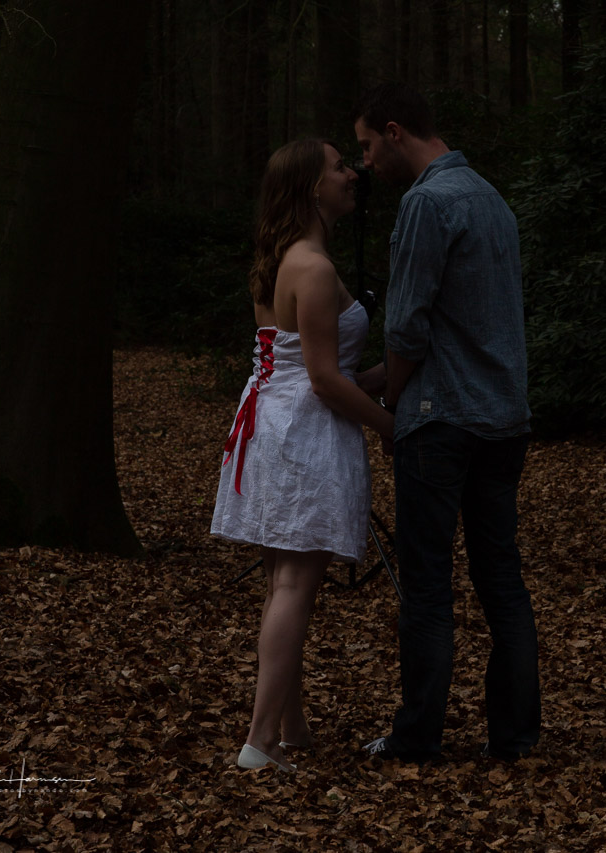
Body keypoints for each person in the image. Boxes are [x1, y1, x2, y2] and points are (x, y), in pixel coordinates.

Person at [349, 83, 541, 764]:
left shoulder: (426, 203)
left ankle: (417, 737)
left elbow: (408, 327)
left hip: (441, 422)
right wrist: (368, 381)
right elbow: (461, 327)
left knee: (428, 583)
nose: (364, 162)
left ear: (394, 131)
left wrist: (390, 400)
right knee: (501, 578)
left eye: (366, 146)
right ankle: (514, 737)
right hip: (503, 420)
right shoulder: (492, 199)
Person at [210, 137, 393, 773]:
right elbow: (322, 380)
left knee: (280, 581)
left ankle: (290, 726)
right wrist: (391, 426)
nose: (352, 174)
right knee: (293, 583)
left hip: (274, 423)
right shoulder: (312, 267)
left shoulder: (282, 259)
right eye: (339, 167)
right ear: (312, 188)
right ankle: (260, 742)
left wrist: (393, 372)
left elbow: (311, 368)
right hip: (302, 433)